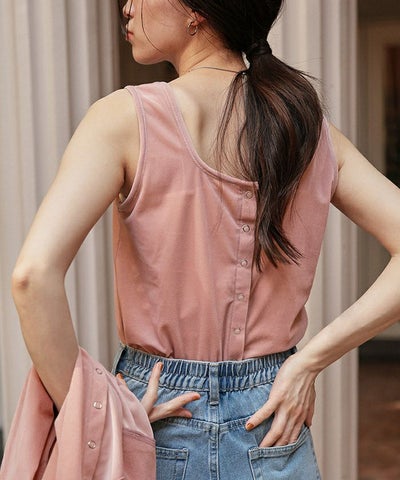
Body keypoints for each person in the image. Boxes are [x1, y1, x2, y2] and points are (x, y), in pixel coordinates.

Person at [9, 0, 400, 478]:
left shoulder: (124, 118)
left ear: (195, 10)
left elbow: (31, 278)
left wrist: (98, 415)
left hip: (158, 417)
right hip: (272, 417)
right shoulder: (307, 131)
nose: (126, 7)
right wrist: (308, 363)